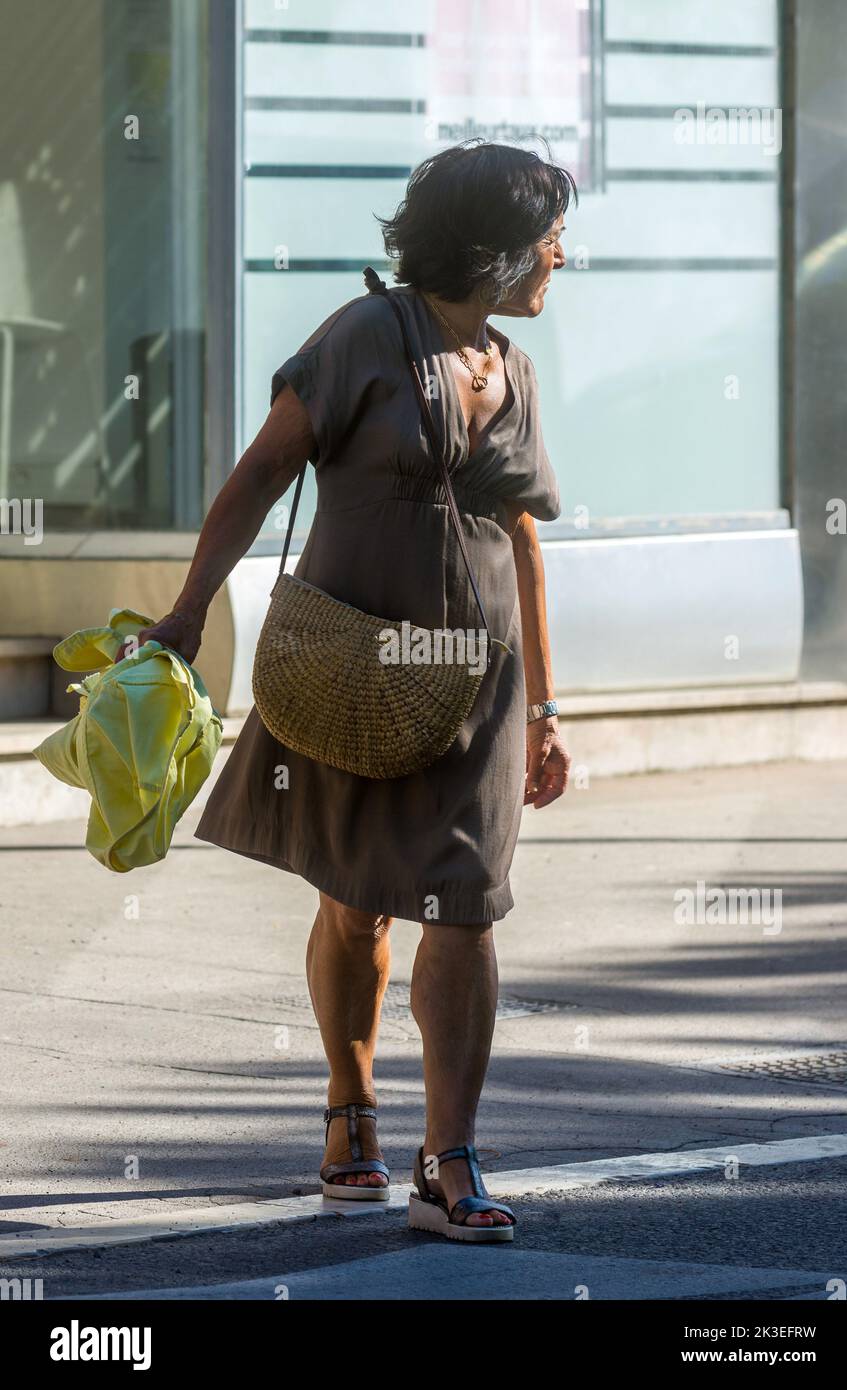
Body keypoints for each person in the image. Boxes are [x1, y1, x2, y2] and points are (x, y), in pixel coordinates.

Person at [128, 141, 574, 1242]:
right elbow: (260, 474)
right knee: (356, 897)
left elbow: (519, 537)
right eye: (548, 236)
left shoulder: (509, 368)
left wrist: (550, 710)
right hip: (352, 665)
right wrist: (188, 612)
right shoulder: (366, 336)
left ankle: (448, 1158)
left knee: (465, 910)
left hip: (478, 681)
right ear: (496, 244)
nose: (561, 256)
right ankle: (349, 1109)